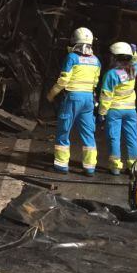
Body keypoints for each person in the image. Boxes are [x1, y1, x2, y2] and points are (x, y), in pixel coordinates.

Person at [46, 27, 101, 176]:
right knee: (88, 133)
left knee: (64, 130)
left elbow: (63, 81)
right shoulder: (96, 61)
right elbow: (95, 82)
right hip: (89, 99)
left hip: (72, 98)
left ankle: (61, 165)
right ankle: (90, 167)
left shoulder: (71, 58)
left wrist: (52, 94)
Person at [97, 42, 137, 175]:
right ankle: (135, 167)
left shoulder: (111, 74)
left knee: (114, 137)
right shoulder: (134, 70)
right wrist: (134, 52)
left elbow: (106, 95)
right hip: (130, 110)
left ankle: (115, 166)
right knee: (132, 138)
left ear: (114, 58)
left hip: (114, 111)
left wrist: (102, 113)